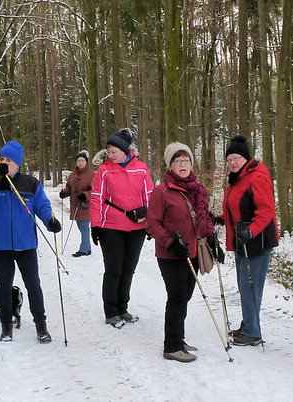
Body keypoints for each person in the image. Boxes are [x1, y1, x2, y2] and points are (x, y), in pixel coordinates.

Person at [0, 141, 62, 343]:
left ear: (17, 163)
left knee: (33, 285)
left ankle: (41, 325)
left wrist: (51, 222)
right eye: (1, 159)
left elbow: (43, 206)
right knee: (3, 286)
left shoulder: (30, 183)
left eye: (8, 160)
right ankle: (6, 326)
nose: (4, 163)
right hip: (0, 246)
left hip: (26, 245)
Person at [146, 142, 223, 363]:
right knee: (177, 298)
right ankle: (171, 346)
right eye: (178, 161)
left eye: (186, 160)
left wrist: (213, 241)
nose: (183, 164)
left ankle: (178, 338)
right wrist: (170, 243)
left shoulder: (197, 189)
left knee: (185, 297)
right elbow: (152, 224)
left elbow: (204, 219)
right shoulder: (162, 191)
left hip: (193, 253)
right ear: (170, 166)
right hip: (171, 254)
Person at [217, 135, 278, 346]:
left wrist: (251, 231)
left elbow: (267, 210)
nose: (232, 163)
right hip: (241, 240)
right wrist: (220, 218)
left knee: (251, 286)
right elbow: (235, 208)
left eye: (236, 158)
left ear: (246, 158)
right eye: (229, 159)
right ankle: (248, 324)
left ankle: (252, 332)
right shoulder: (237, 178)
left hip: (257, 241)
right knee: (244, 285)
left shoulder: (257, 177)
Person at [90, 129, 154, 328]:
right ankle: (111, 312)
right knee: (114, 270)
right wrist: (96, 225)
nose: (110, 155)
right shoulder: (104, 170)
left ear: (125, 150)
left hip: (137, 227)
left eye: (114, 151)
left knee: (128, 270)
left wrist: (151, 223)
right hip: (111, 227)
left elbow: (150, 196)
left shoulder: (141, 169)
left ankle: (123, 308)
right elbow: (96, 199)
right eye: (108, 151)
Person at [59, 150, 95, 257]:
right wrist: (64, 193)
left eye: (82, 160)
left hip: (85, 205)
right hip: (75, 205)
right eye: (78, 160)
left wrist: (85, 195)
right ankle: (87, 248)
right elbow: (68, 187)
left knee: (84, 226)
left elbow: (95, 191)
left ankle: (84, 249)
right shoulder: (72, 175)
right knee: (80, 226)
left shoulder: (91, 175)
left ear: (86, 162)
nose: (80, 163)